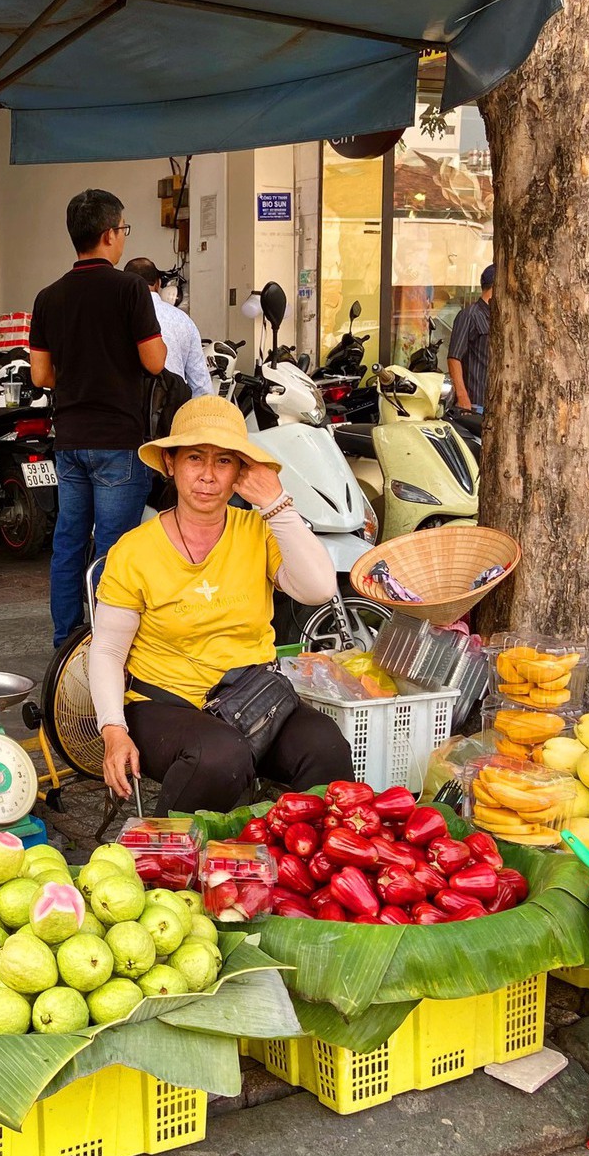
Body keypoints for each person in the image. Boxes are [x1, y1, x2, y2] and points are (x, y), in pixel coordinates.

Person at [89, 396, 355, 814]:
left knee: (327, 748)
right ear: (171, 463)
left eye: (224, 461)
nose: (208, 476)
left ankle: (296, 863)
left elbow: (319, 588)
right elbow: (106, 651)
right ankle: (166, 866)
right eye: (195, 458)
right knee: (219, 758)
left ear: (240, 473)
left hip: (254, 699)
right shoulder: (134, 551)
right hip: (164, 704)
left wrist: (277, 504)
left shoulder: (259, 530)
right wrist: (113, 730)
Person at [30, 189, 167, 646]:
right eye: (123, 229)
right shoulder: (129, 288)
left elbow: (41, 374)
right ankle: (107, 642)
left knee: (69, 542)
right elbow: (153, 361)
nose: (123, 238)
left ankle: (65, 639)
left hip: (70, 438)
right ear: (109, 234)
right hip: (118, 439)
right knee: (115, 547)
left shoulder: (48, 297)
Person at [124, 257, 211, 399]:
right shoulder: (183, 320)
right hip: (174, 409)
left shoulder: (117, 316)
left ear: (126, 284)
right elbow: (201, 385)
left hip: (127, 410)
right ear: (158, 283)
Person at [447, 264, 494, 413]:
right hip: (476, 402)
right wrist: (462, 396)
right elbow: (454, 357)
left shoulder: (500, 317)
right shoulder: (470, 315)